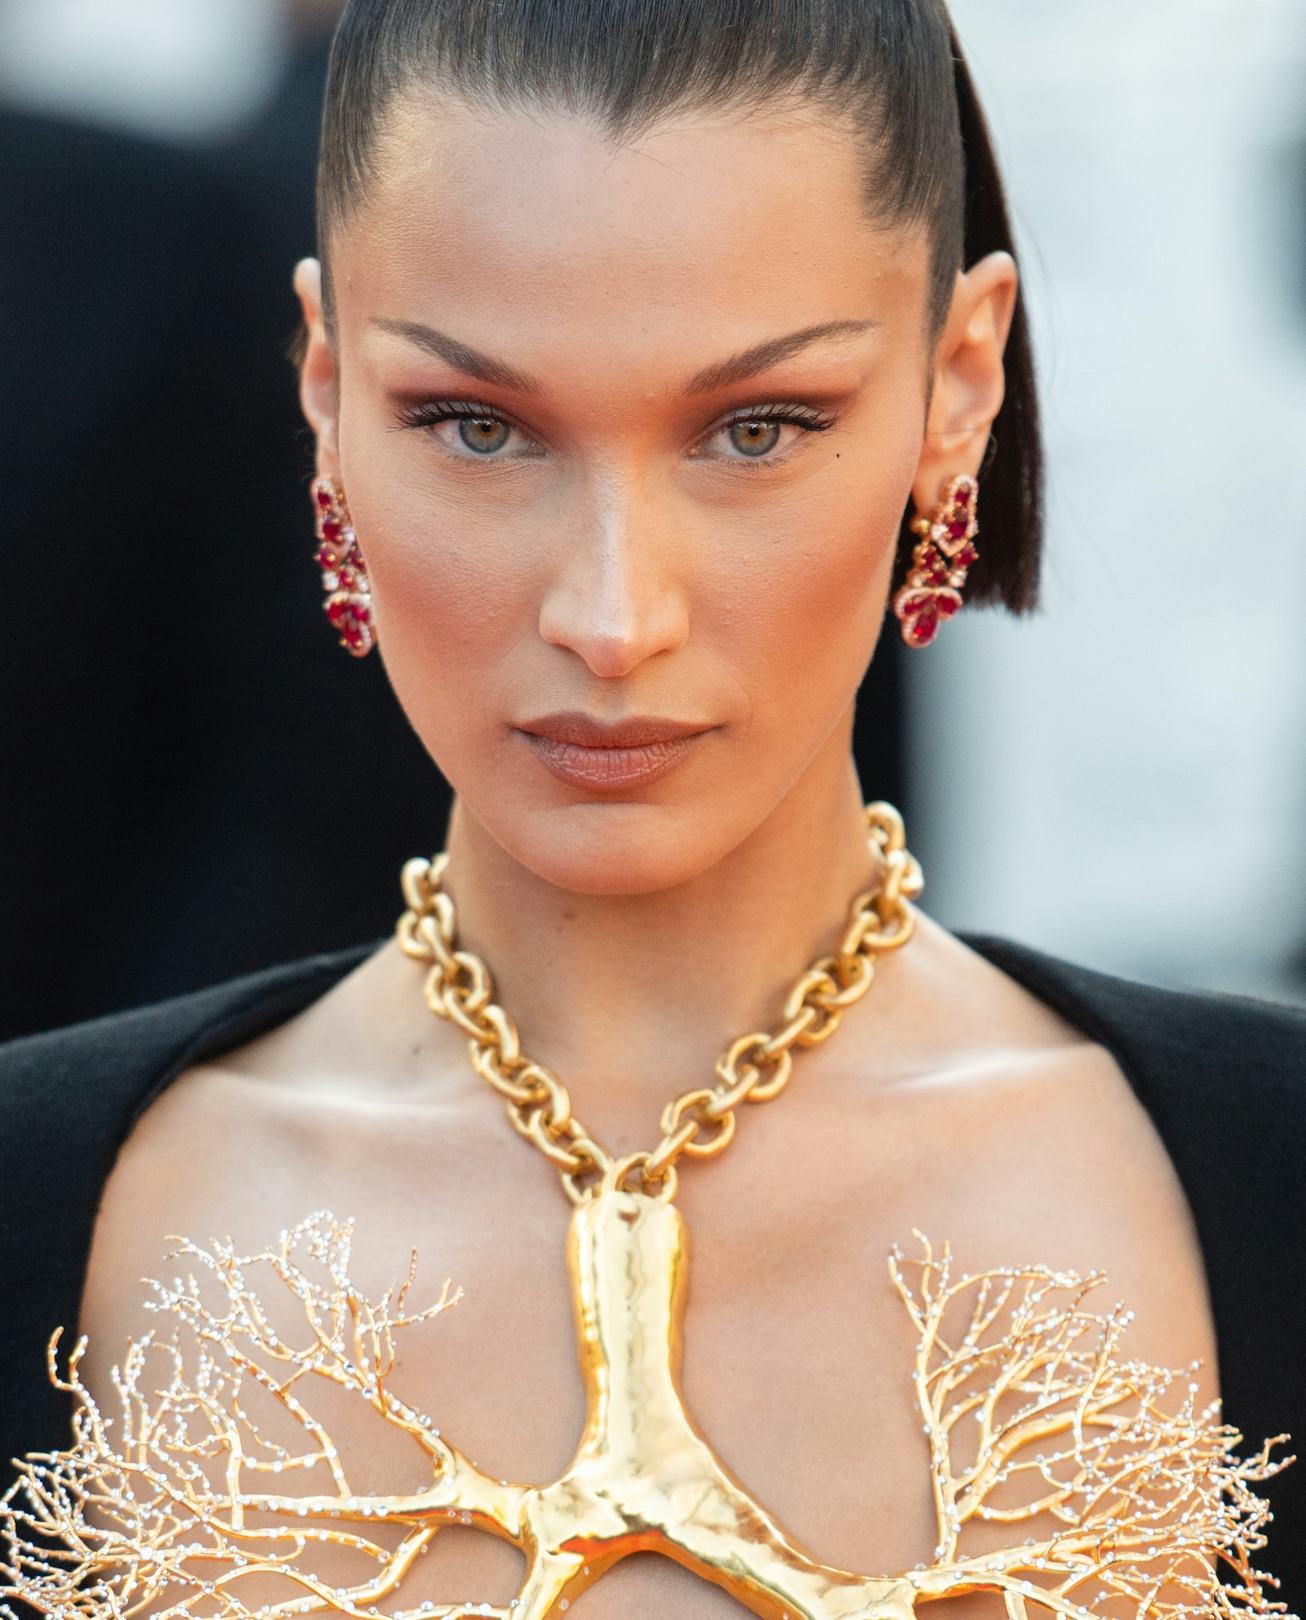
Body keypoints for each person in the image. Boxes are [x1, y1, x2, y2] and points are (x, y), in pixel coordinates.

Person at [2, 2, 1303, 1617]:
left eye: (757, 431)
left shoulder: (1261, 1174)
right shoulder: (44, 1202)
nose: (612, 619)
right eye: (475, 427)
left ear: (956, 387)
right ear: (326, 393)